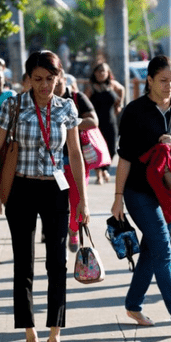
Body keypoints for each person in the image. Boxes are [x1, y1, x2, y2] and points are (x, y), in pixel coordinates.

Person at [0, 51, 89, 342]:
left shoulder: (66, 107)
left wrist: (82, 198)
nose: (44, 86)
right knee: (24, 263)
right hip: (21, 189)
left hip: (56, 190)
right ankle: (29, 332)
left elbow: (74, 154)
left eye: (50, 79)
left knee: (57, 263)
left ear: (59, 79)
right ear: (28, 79)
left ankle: (55, 335)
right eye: (38, 79)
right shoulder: (14, 105)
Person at [111, 55, 171, 334]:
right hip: (139, 192)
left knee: (151, 249)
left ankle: (133, 303)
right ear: (149, 80)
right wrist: (117, 196)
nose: (170, 85)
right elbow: (124, 157)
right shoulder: (134, 111)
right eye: (164, 80)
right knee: (163, 247)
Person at [54, 69, 98, 252]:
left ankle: (73, 230)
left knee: (77, 200)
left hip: (75, 158)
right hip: (54, 162)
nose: (53, 85)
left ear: (65, 80)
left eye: (57, 81)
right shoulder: (43, 100)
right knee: (57, 203)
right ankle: (59, 236)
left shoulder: (76, 98)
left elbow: (93, 121)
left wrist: (70, 122)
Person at [84, 62, 124, 184]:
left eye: (104, 71)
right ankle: (99, 174)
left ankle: (105, 169)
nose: (101, 74)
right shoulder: (91, 87)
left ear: (108, 73)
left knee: (112, 147)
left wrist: (120, 105)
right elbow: (84, 102)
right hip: (95, 124)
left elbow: (122, 89)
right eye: (99, 71)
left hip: (111, 121)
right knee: (97, 149)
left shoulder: (112, 85)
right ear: (94, 73)